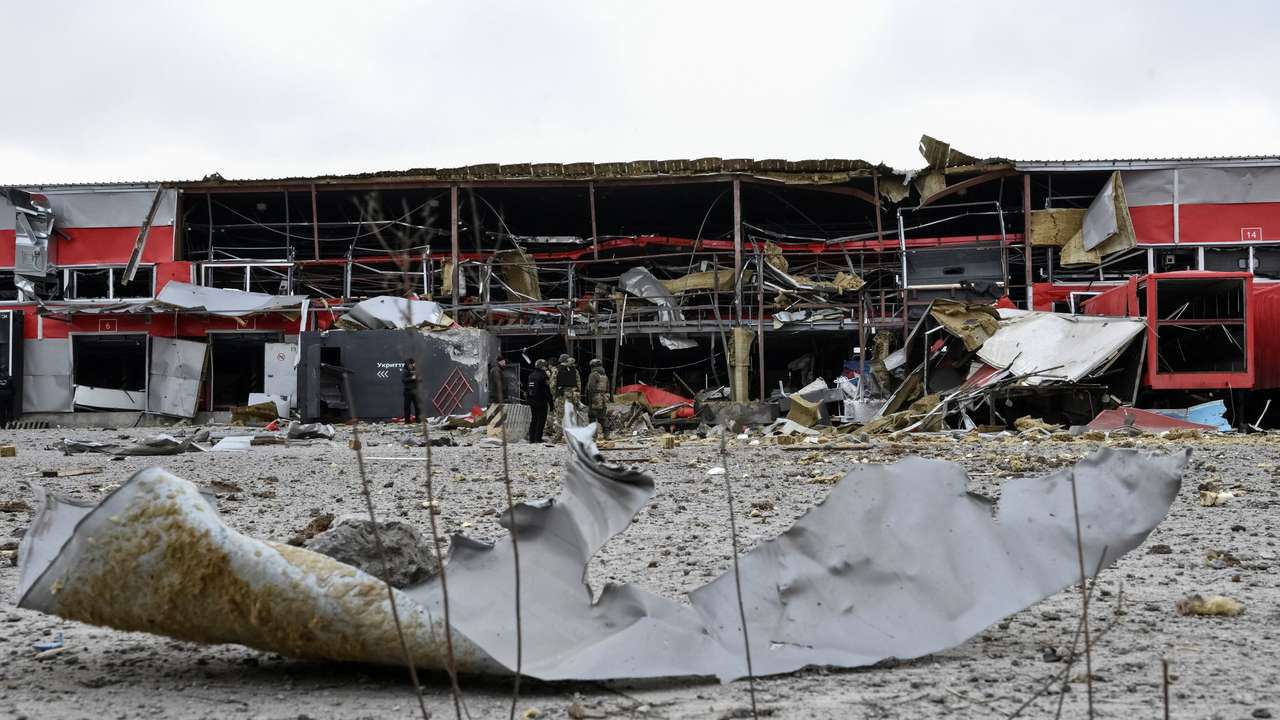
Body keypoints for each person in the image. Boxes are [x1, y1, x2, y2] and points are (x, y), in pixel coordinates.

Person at [526, 358, 552, 443]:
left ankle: (531, 438)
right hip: (541, 401)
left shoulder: (531, 375)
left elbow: (528, 389)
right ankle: (538, 438)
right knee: (541, 419)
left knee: (534, 419)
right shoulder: (544, 375)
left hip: (532, 400)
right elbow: (547, 390)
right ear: (542, 367)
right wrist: (551, 403)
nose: (546, 368)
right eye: (545, 366)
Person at [585, 358, 610, 438]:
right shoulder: (605, 376)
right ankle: (607, 434)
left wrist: (588, 399)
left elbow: (591, 388)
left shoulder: (593, 375)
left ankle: (593, 436)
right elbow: (608, 388)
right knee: (602, 416)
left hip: (595, 398)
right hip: (603, 398)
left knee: (592, 416)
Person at [402, 357, 420, 423]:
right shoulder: (405, 370)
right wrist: (412, 378)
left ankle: (418, 419)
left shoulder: (415, 369)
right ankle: (407, 421)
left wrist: (418, 378)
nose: (415, 365)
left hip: (415, 391)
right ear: (410, 364)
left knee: (417, 406)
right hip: (408, 391)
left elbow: (419, 379)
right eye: (414, 363)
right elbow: (403, 380)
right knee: (407, 407)